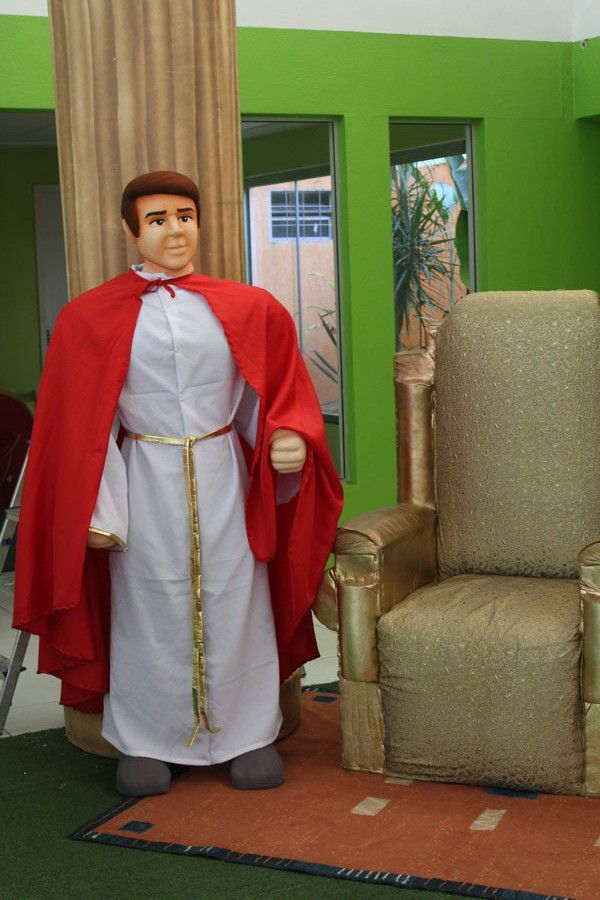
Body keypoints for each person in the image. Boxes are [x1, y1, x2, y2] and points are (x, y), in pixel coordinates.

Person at [13, 171, 343, 797]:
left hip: (226, 478)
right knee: (147, 607)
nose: (174, 230)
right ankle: (147, 740)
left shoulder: (249, 307)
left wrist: (288, 436)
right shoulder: (88, 318)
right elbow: (82, 428)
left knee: (236, 598)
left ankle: (247, 733)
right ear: (131, 230)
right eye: (157, 219)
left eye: (185, 216)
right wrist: (98, 508)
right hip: (144, 480)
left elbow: (274, 393)